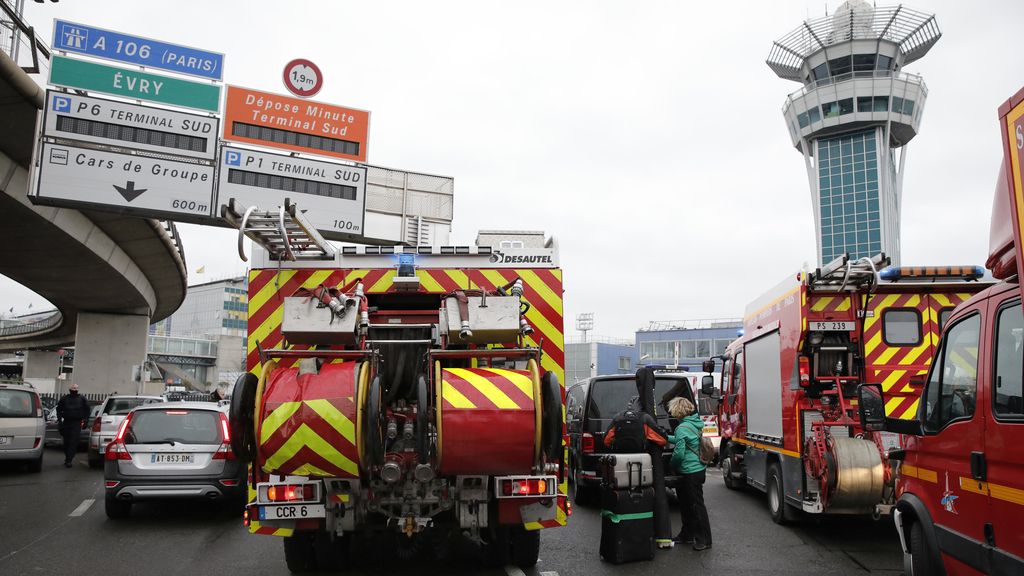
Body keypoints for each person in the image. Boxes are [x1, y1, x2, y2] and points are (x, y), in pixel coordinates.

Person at [667, 397, 712, 551]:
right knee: (687, 505)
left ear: (677, 410)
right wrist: (665, 437)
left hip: (690, 472)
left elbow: (679, 454)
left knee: (695, 506)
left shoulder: (681, 428)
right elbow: (684, 440)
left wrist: (672, 465)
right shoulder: (693, 424)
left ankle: (704, 540)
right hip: (698, 469)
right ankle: (687, 535)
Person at [56, 383, 90, 468]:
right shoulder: (64, 399)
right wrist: (60, 421)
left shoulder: (82, 399)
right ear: (70, 390)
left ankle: (69, 460)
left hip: (76, 423)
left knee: (73, 442)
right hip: (66, 422)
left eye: (75, 390)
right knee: (66, 442)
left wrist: (85, 421)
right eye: (72, 390)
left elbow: (87, 410)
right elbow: (58, 409)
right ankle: (67, 457)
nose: (74, 392)